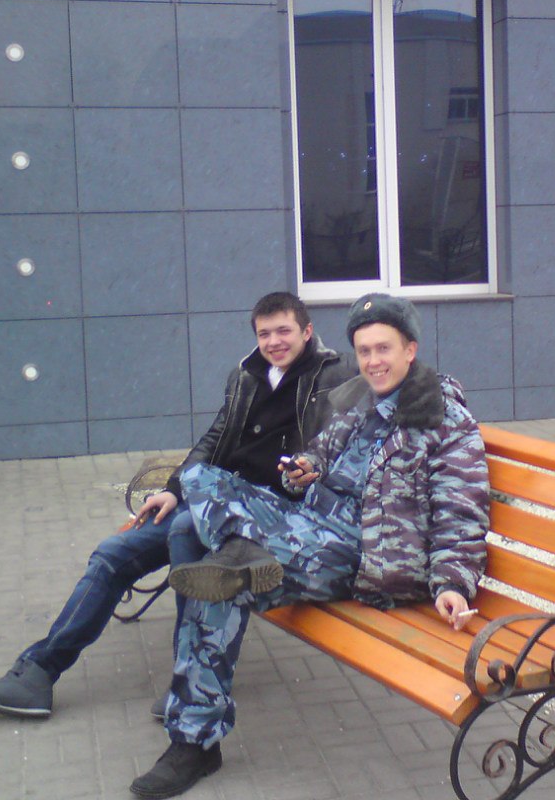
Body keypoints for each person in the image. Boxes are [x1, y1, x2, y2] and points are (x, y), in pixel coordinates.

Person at [128, 293, 489, 799]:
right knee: (200, 478)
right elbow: (317, 455)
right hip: (308, 524)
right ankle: (240, 556)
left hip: (366, 554)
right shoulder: (362, 402)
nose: (373, 361)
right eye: (364, 351)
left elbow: (461, 511)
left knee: (221, 583)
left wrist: (451, 582)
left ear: (410, 350)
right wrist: (303, 472)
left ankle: (193, 743)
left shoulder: (444, 420)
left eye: (383, 349)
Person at [0, 292, 354, 720]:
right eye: (264, 333)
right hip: (210, 497)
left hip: (267, 516)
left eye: (283, 331)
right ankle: (37, 673)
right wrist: (175, 488)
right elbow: (215, 438)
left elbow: (341, 447)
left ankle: (191, 682)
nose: (273, 342)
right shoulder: (246, 374)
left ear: (307, 331)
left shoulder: (334, 376)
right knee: (113, 554)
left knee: (185, 536)